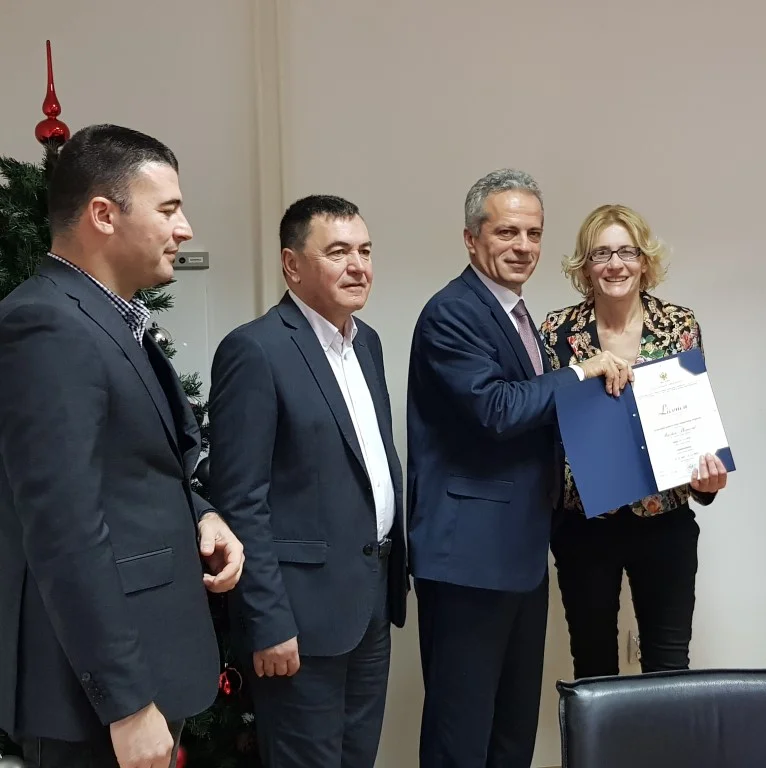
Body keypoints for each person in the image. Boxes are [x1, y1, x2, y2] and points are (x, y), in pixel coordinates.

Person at [0, 124, 243, 768]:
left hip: (148, 660)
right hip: (92, 699)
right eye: (168, 209)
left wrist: (202, 514)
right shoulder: (48, 324)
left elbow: (132, 467)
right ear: (104, 215)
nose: (184, 228)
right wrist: (127, 704)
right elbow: (62, 528)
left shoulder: (107, 317)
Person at [407, 170, 632, 768]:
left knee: (512, 733)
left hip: (521, 552)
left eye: (533, 233)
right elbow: (498, 409)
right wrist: (579, 372)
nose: (523, 246)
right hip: (468, 560)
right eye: (507, 232)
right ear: (471, 238)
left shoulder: (516, 314)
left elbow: (540, 420)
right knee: (461, 736)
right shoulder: (452, 313)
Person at [209, 195, 407, 768]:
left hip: (369, 605)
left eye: (365, 251)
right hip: (297, 620)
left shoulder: (366, 343)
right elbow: (240, 501)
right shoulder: (256, 350)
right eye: (338, 252)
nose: (358, 266)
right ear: (292, 265)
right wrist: (267, 621)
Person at [539, 203, 728, 680]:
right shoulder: (556, 332)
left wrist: (706, 482)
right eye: (601, 254)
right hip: (584, 526)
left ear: (645, 261)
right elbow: (544, 424)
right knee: (593, 670)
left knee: (669, 669)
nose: (615, 265)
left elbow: (692, 423)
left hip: (664, 525)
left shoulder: (679, 325)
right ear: (585, 266)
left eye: (627, 252)